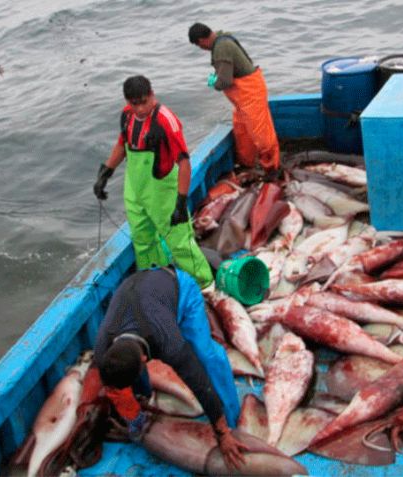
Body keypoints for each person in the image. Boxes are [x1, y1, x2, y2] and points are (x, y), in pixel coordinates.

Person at [93, 266, 246, 469]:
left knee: (206, 355)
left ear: (145, 358)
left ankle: (232, 417)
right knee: (127, 382)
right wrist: (133, 416)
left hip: (179, 288)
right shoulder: (102, 349)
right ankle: (143, 398)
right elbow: (113, 386)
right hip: (136, 291)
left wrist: (222, 434)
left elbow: (200, 384)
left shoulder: (168, 343)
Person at [93, 75, 213, 288]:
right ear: (127, 101)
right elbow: (122, 145)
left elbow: (184, 163)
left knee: (179, 242)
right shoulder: (127, 116)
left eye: (144, 102)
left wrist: (180, 202)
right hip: (135, 188)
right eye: (134, 103)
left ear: (152, 95)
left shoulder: (166, 120)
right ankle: (155, 282)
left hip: (163, 191)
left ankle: (205, 284)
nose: (140, 109)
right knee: (142, 239)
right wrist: (106, 173)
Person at [188, 23, 281, 179]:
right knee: (242, 130)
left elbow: (225, 81)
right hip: (243, 98)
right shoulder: (222, 38)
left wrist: (214, 83)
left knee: (261, 133)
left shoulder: (221, 48)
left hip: (250, 93)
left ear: (201, 41)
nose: (201, 48)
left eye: (199, 45)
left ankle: (273, 169)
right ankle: (247, 164)